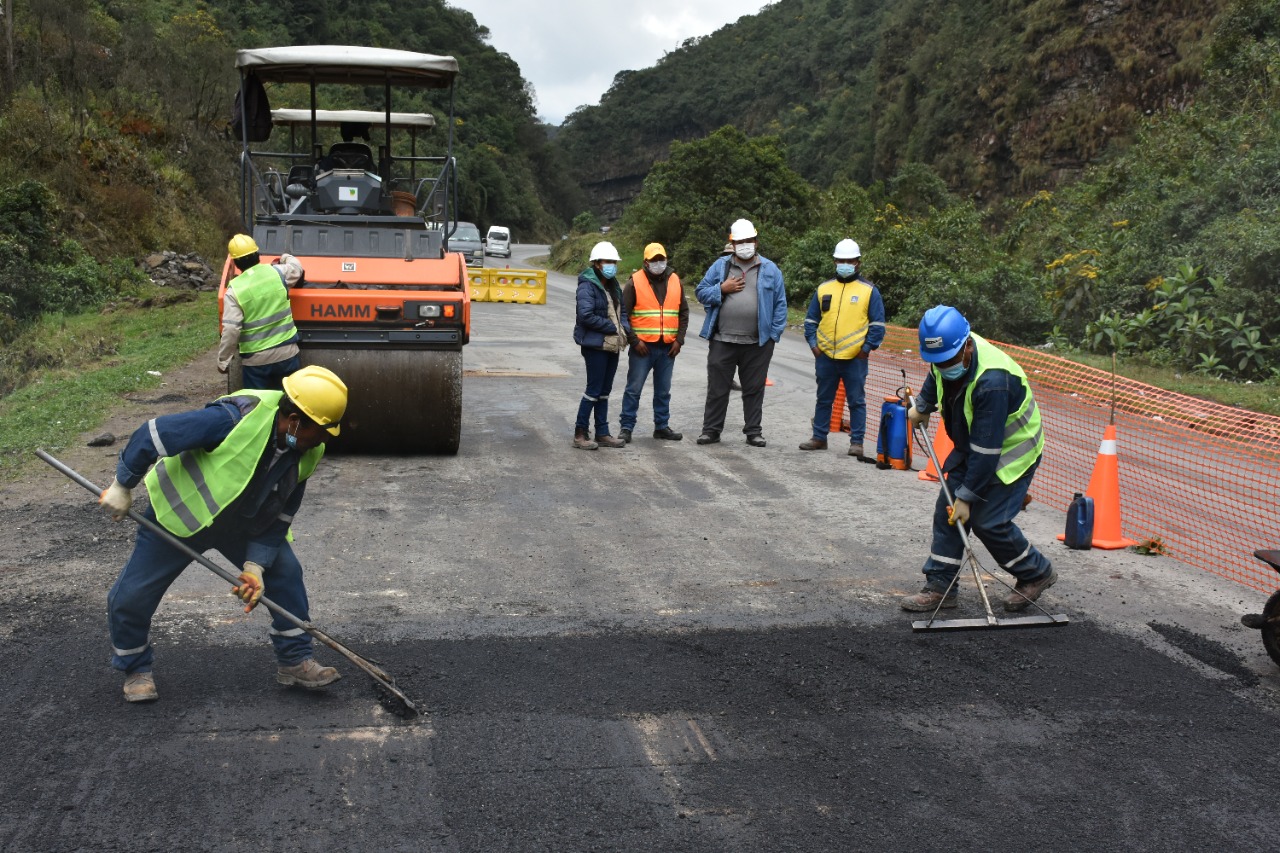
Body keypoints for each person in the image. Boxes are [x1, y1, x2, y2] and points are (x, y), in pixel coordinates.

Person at [96, 365, 349, 703]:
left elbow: (281, 513)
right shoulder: (233, 418)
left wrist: (256, 565)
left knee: (285, 573)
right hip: (180, 516)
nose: (323, 440)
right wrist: (121, 485)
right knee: (131, 596)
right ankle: (136, 670)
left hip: (240, 526)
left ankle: (295, 661)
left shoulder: (308, 449)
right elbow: (152, 434)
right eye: (319, 431)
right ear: (293, 420)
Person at [900, 305, 1057, 613]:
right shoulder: (947, 351)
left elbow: (987, 451)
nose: (944, 366)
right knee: (948, 510)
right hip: (973, 442)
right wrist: (923, 403)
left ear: (967, 345)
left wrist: (968, 497)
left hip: (1012, 450)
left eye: (949, 361)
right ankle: (940, 586)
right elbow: (937, 374)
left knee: (988, 521)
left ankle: (1036, 573)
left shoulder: (993, 380)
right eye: (937, 361)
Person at [694, 218, 788, 447]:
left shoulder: (770, 269)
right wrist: (721, 289)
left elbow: (780, 304)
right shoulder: (720, 267)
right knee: (717, 389)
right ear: (732, 244)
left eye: (749, 240)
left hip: (757, 343)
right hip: (722, 340)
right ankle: (711, 431)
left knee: (754, 389)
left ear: (756, 241)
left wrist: (773, 336)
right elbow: (700, 292)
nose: (745, 245)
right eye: (740, 241)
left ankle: (753, 432)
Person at [799, 239, 886, 457]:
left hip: (855, 358)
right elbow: (811, 320)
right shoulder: (824, 288)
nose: (845, 264)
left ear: (858, 263)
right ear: (835, 261)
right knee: (824, 399)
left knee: (856, 401)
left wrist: (866, 349)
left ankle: (856, 442)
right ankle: (819, 437)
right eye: (841, 260)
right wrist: (814, 345)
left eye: (849, 260)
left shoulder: (869, 291)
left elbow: (877, 325)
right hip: (826, 355)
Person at [618, 242, 689, 443]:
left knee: (663, 390)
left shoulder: (675, 280)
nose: (658, 263)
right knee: (634, 389)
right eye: (654, 260)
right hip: (642, 348)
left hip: (668, 347)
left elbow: (683, 312)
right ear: (645, 262)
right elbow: (624, 315)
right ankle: (626, 427)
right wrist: (634, 341)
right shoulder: (634, 282)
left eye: (661, 259)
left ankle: (661, 426)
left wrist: (679, 340)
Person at [218, 234, 304, 390]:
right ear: (258, 255)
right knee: (290, 402)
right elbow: (297, 268)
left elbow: (231, 329)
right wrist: (285, 257)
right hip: (287, 355)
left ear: (236, 263)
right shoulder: (278, 273)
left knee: (258, 406)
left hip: (256, 363)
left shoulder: (234, 291)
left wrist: (223, 361)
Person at [572, 241, 628, 450]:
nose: (611, 265)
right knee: (593, 390)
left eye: (614, 262)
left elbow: (622, 312)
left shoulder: (613, 286)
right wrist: (612, 327)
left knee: (605, 390)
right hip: (595, 345)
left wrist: (624, 330)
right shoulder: (587, 285)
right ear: (596, 264)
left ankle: (602, 432)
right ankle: (580, 433)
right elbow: (585, 315)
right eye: (607, 261)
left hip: (612, 345)